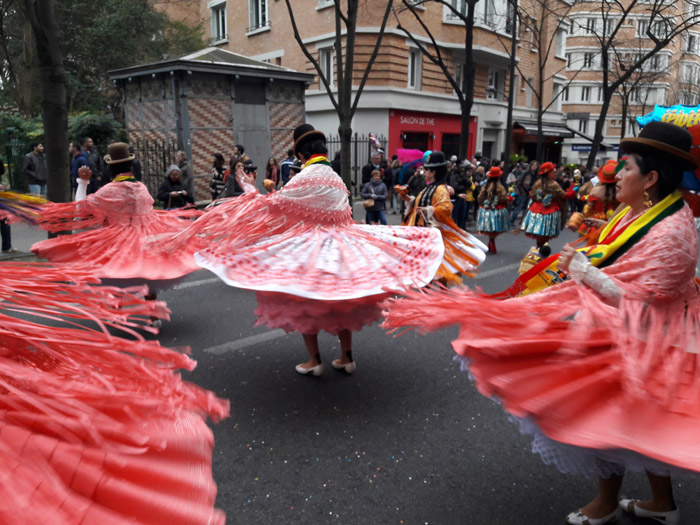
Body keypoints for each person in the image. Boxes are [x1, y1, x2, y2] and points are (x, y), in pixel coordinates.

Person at [384, 121, 700, 525]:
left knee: (615, 416)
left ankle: (612, 503)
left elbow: (645, 299)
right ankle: (662, 504)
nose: (617, 175)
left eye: (626, 168)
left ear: (651, 178)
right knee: (640, 420)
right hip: (630, 331)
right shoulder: (646, 211)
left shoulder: (672, 230)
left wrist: (586, 272)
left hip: (652, 337)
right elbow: (618, 257)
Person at [181, 124, 445, 376]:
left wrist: (250, 187)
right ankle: (347, 357)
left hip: (312, 250)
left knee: (304, 303)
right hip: (342, 249)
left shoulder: (304, 177)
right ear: (324, 151)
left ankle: (314, 361)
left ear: (300, 154)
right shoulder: (337, 180)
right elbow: (344, 216)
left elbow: (271, 207)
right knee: (342, 304)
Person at [0, 258, 228, 523]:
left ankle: (143, 309)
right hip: (133, 241)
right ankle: (143, 308)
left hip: (134, 239)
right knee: (138, 275)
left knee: (139, 274)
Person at [33, 142, 204, 325]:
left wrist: (82, 182)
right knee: (148, 276)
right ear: (130, 166)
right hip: (146, 238)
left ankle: (118, 313)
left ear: (111, 167)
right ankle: (153, 317)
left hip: (119, 240)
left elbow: (80, 209)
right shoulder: (141, 187)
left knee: (116, 275)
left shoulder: (109, 191)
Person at [400, 151, 487, 283]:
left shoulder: (440, 189)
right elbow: (420, 202)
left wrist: (429, 210)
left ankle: (438, 296)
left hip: (431, 236)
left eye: (427, 170)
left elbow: (446, 208)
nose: (425, 174)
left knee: (436, 269)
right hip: (422, 234)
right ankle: (432, 296)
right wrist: (408, 199)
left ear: (433, 172)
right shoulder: (428, 188)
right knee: (428, 269)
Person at [520, 162, 566, 248]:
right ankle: (543, 250)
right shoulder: (554, 184)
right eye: (553, 172)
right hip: (550, 210)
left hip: (537, 209)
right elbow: (562, 195)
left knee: (539, 232)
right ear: (549, 173)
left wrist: (539, 197)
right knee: (546, 233)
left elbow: (532, 194)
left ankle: (539, 248)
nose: (554, 174)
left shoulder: (538, 182)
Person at [476, 166, 509, 254]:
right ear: (498, 177)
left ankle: (491, 244)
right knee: (494, 229)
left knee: (490, 229)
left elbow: (480, 198)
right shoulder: (500, 187)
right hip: (496, 210)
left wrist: (484, 204)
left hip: (486, 210)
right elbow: (503, 198)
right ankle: (492, 244)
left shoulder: (485, 186)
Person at [510, 160, 539, 226]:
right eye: (533, 165)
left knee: (527, 209)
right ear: (530, 166)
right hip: (524, 193)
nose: (534, 166)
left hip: (531, 193)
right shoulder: (526, 173)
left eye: (535, 165)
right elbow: (519, 182)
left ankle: (523, 221)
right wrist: (522, 191)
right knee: (518, 208)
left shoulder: (537, 175)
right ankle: (511, 221)